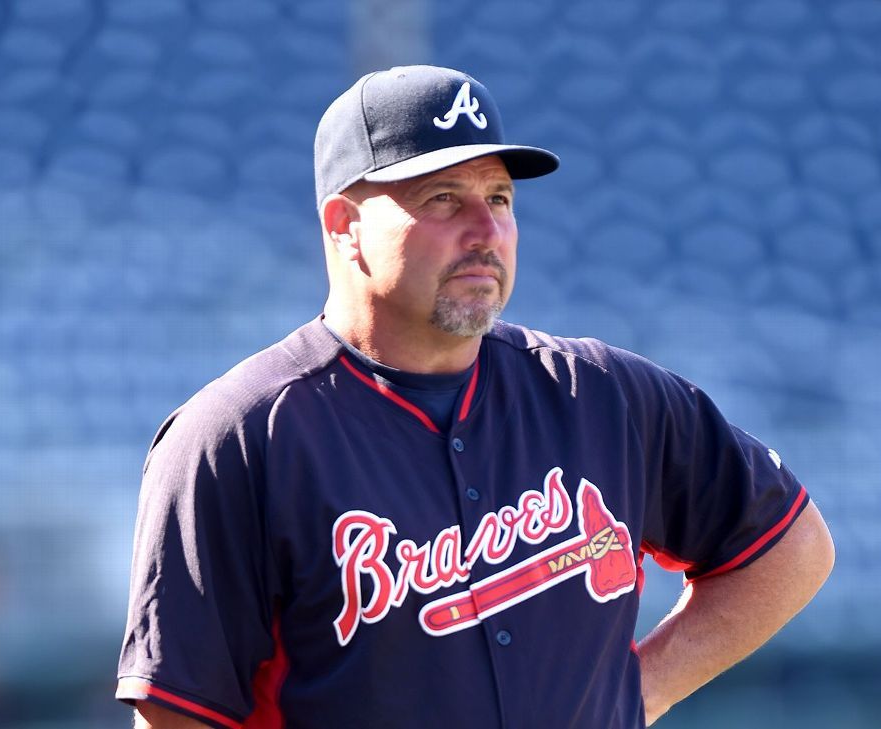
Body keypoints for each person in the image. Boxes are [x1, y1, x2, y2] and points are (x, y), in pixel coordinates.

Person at [116, 65, 834, 729]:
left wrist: (639, 692)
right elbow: (178, 710)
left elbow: (792, 548)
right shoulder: (236, 439)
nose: (486, 231)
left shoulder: (605, 395)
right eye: (443, 199)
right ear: (345, 227)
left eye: (499, 197)